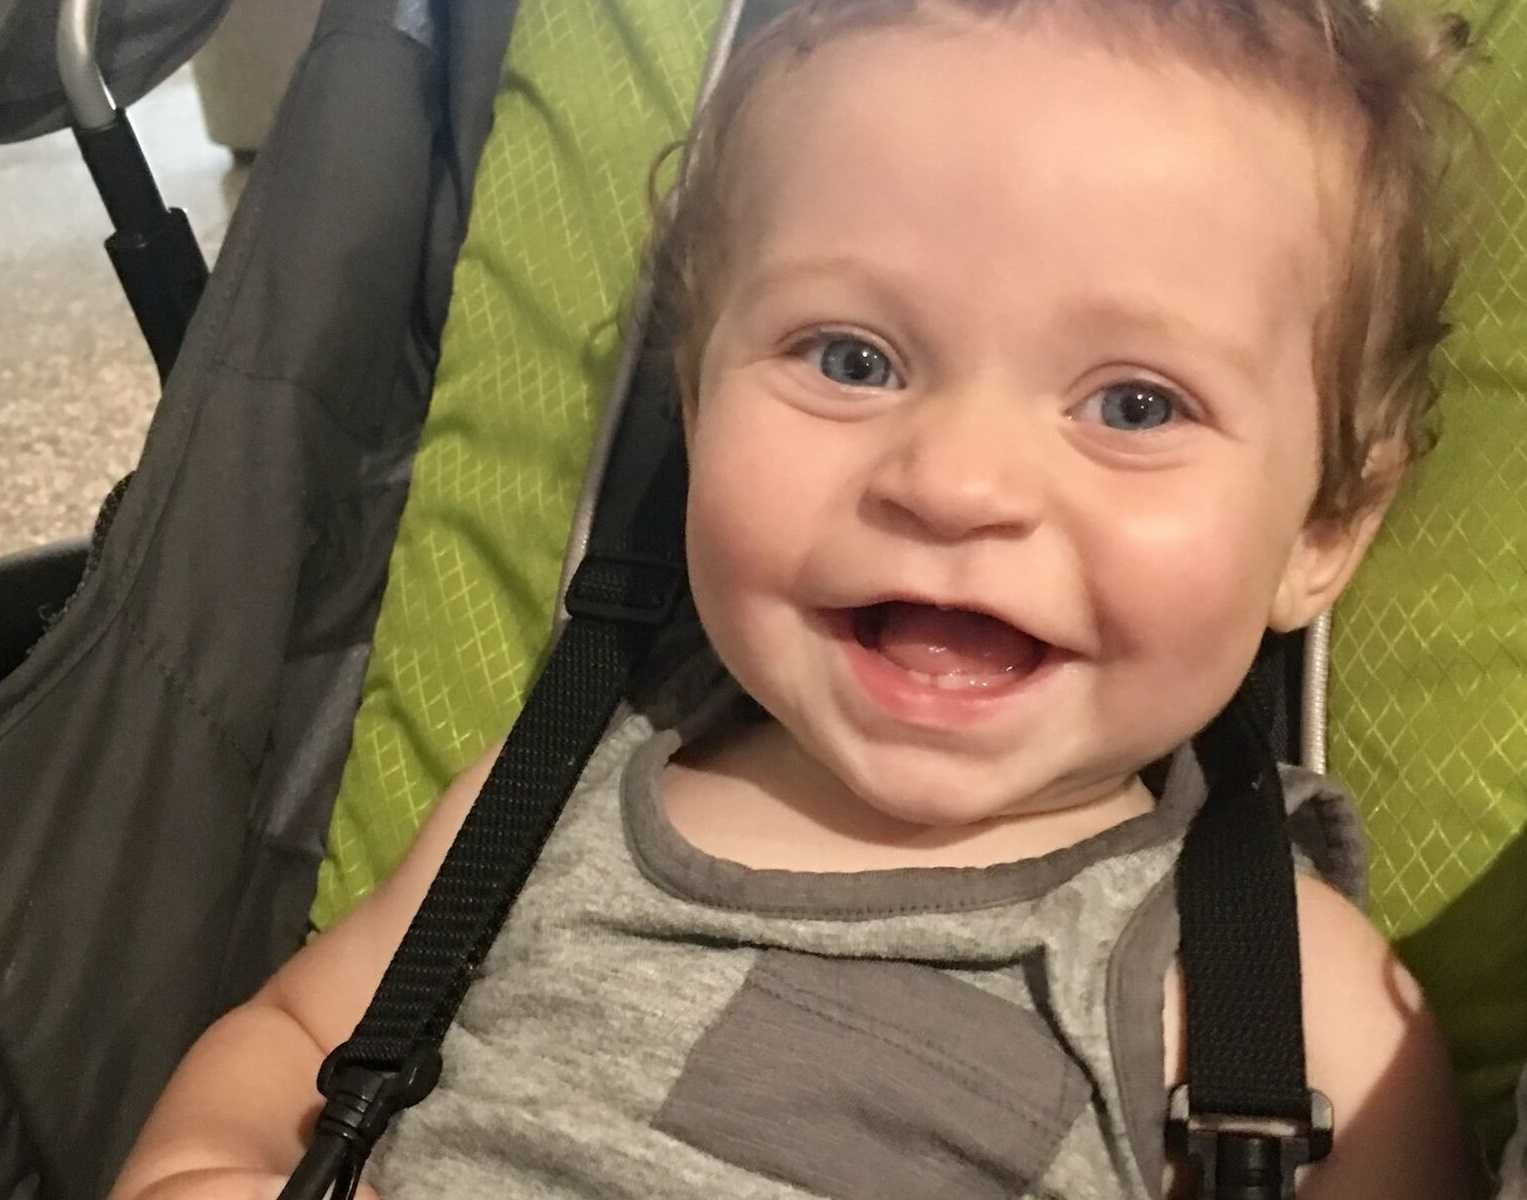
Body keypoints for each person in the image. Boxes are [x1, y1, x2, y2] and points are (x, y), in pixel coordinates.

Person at [110, 1, 1481, 1196]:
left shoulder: (1292, 1008)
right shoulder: (535, 811)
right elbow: (297, 1043)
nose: (952, 482)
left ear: (1321, 525)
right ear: (696, 400)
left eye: (1133, 402)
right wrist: (197, 1168)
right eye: (851, 357)